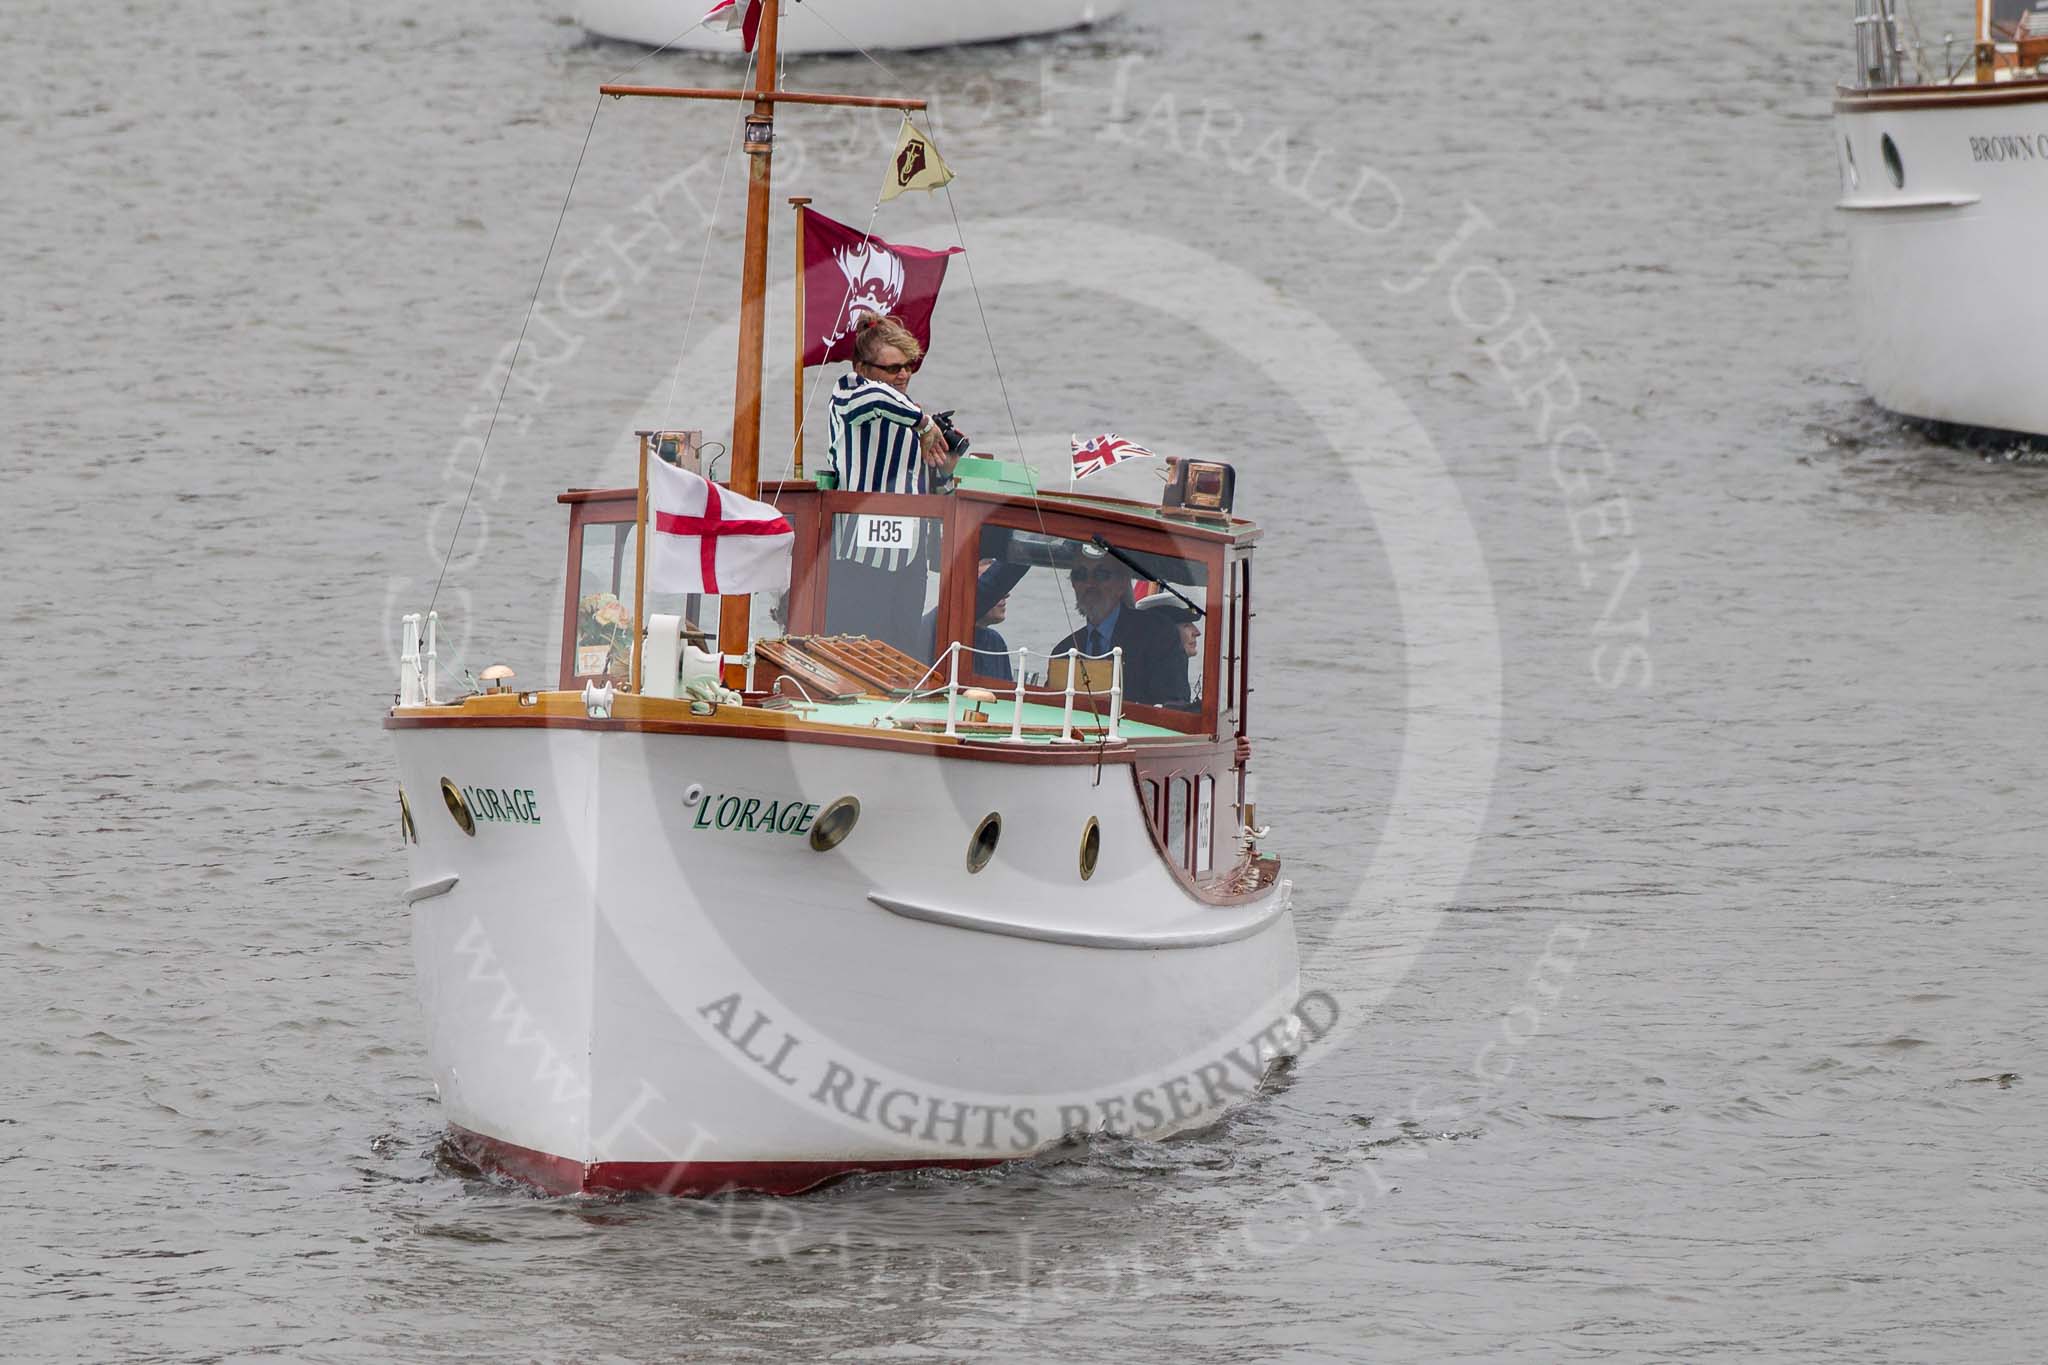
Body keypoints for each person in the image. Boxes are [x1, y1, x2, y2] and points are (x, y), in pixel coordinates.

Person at [823, 314, 965, 655]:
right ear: (863, 367)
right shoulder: (849, 393)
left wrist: (945, 471)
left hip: (908, 559)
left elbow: (934, 491)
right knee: (854, 654)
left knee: (901, 655)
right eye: (891, 368)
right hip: (858, 557)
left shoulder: (909, 413)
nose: (902, 374)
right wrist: (923, 421)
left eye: (909, 366)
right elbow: (876, 399)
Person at [1049, 560, 1192, 708]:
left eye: (1101, 574)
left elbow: (1174, 703)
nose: (1089, 583)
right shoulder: (1063, 651)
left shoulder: (1157, 634)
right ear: (1073, 584)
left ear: (1122, 583)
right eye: (1080, 575)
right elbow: (1051, 706)